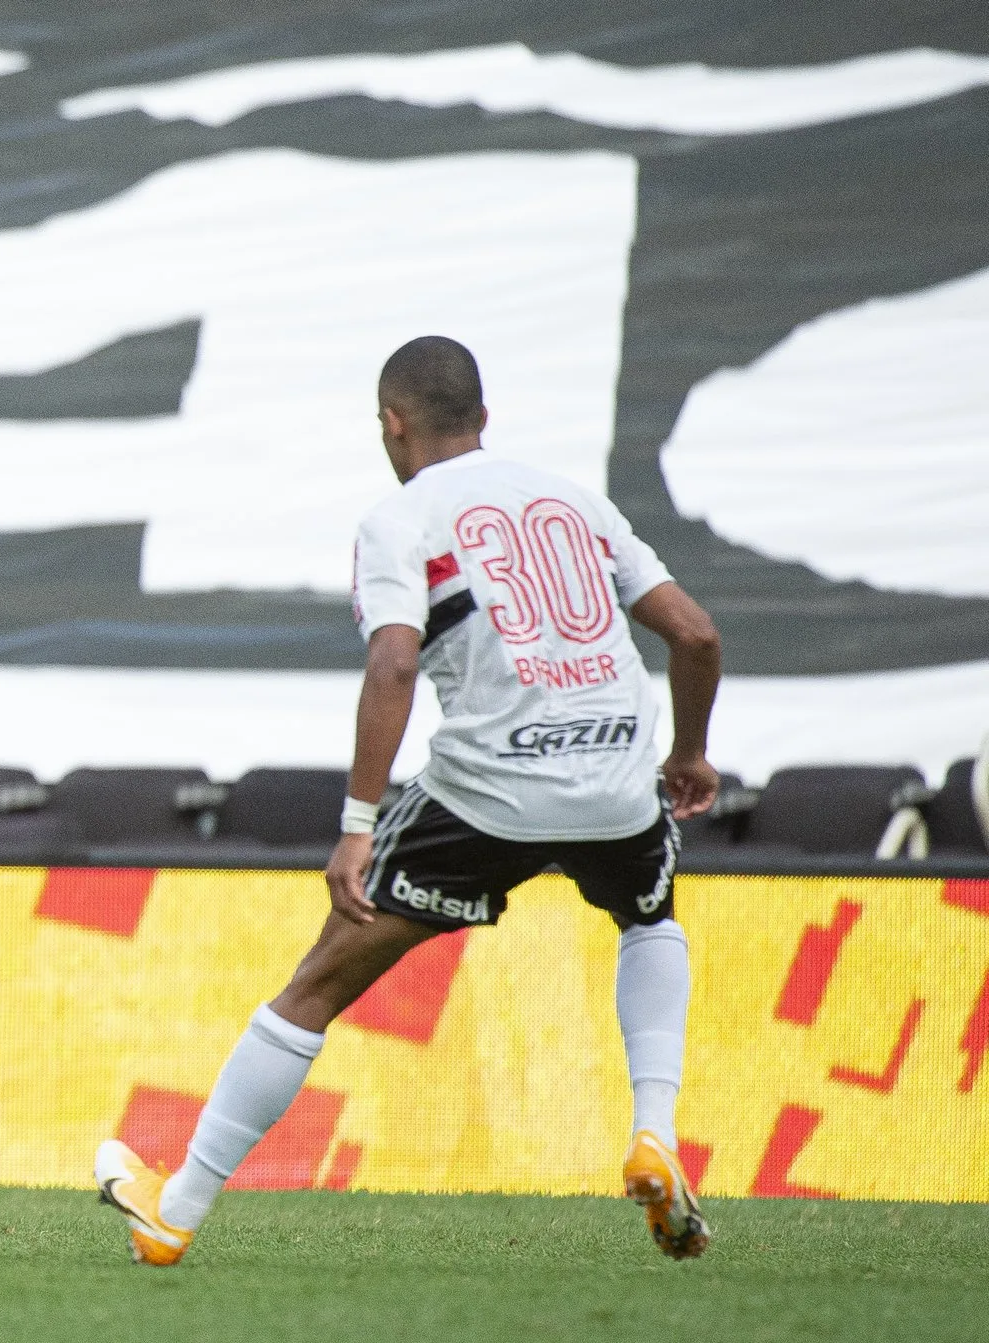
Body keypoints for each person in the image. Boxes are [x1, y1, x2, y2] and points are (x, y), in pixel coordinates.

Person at [97, 336, 721, 1265]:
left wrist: (356, 824)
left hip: (487, 792)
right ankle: (656, 1134)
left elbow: (394, 658)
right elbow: (696, 633)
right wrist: (692, 753)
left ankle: (176, 1209)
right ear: (483, 416)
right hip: (617, 777)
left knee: (318, 983)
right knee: (648, 914)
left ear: (393, 424)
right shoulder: (576, 501)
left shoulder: (401, 518)